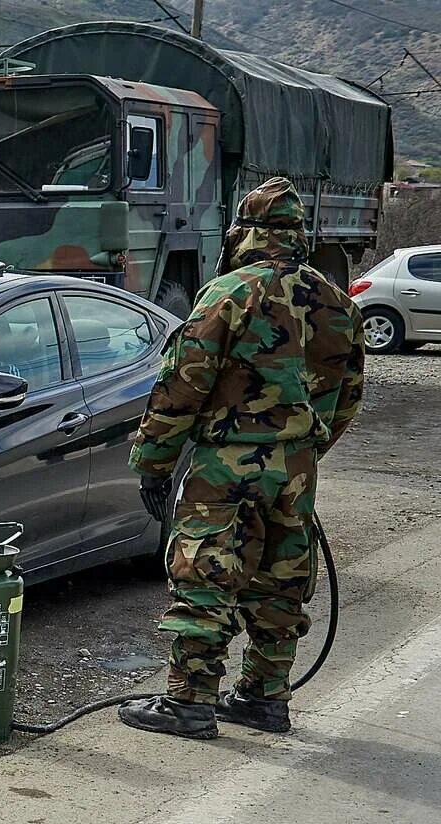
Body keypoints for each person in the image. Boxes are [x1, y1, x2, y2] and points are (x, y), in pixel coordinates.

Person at [119, 175, 362, 739]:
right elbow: (347, 393)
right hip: (296, 468)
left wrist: (154, 462)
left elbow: (183, 383)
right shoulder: (334, 300)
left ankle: (190, 701)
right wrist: (304, 447)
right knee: (282, 578)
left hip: (228, 465)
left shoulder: (229, 293)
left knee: (205, 571)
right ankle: (263, 698)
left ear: (247, 232)